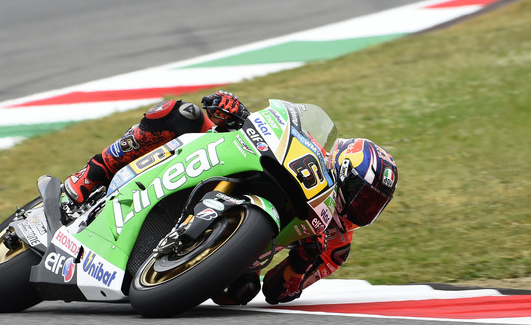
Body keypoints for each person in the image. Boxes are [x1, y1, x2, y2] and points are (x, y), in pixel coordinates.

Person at [62, 91, 398, 305]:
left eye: (371, 205)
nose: (359, 207)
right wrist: (234, 110)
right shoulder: (310, 148)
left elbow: (277, 293)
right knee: (182, 114)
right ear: (339, 165)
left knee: (243, 290)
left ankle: (173, 266)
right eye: (360, 195)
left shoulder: (336, 246)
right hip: (221, 162)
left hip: (237, 248)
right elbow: (269, 126)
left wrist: (301, 264)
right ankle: (90, 174)